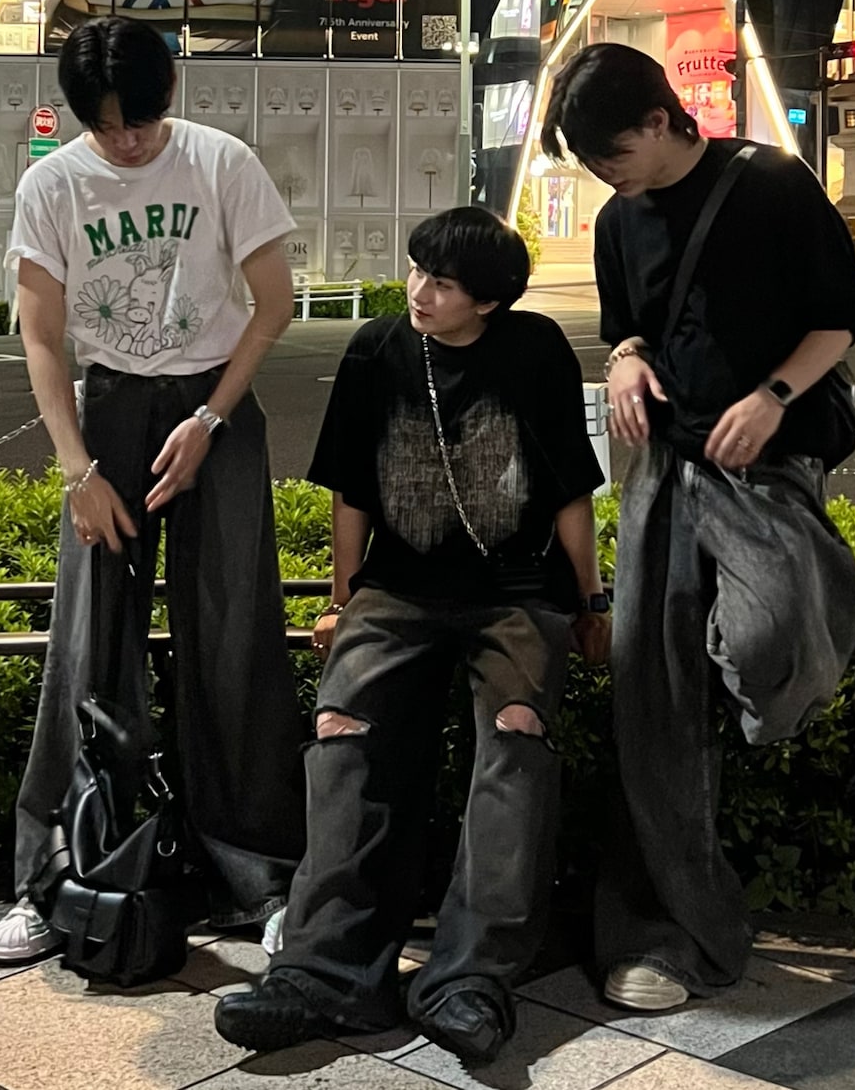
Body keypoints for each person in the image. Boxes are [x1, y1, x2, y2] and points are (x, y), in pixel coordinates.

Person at [214, 207, 609, 1065]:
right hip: (396, 588)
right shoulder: (378, 350)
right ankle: (326, 972)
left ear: (490, 301)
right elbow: (352, 489)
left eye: (443, 284)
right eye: (417, 271)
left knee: (516, 734)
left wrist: (590, 601)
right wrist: (342, 599)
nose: (420, 292)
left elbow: (570, 488)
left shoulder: (535, 350)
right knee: (342, 728)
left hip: (515, 592)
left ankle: (469, 977)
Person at [540, 42, 855, 1013]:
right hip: (664, 466)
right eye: (590, 161)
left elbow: (842, 316)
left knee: (772, 636)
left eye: (612, 153)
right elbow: (630, 328)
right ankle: (663, 932)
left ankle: (775, 653)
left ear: (660, 119)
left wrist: (773, 397)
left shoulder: (769, 183)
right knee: (651, 698)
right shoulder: (619, 220)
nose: (605, 175)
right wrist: (623, 361)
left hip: (765, 464)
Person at [0, 16, 307, 965]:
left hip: (215, 409)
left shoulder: (220, 161)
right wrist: (78, 470)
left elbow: (275, 301)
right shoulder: (52, 184)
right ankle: (56, 876)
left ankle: (261, 877)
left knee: (236, 635)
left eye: (141, 120)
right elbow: (42, 337)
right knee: (89, 641)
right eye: (106, 125)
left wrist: (210, 420)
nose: (126, 140)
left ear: (169, 96)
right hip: (111, 413)